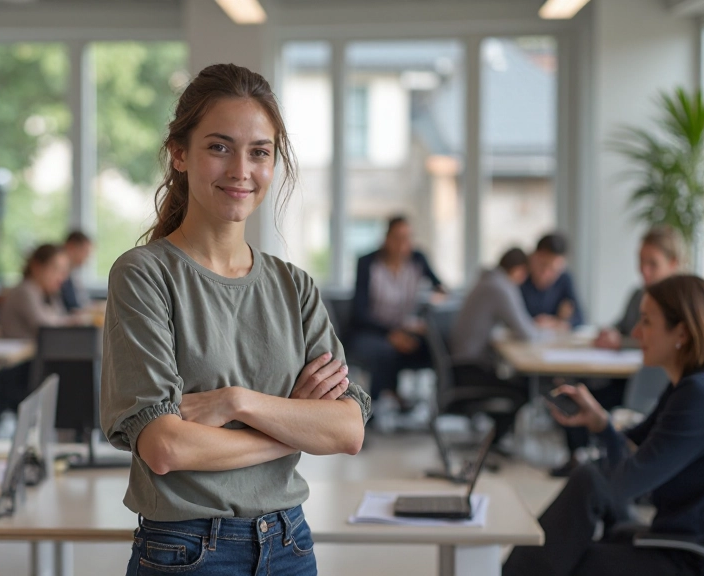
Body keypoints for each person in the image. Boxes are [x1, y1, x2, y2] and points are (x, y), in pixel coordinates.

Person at [100, 63, 370, 575]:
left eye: (260, 152)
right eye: (219, 147)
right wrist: (293, 425)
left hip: (291, 544)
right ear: (180, 154)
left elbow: (348, 429)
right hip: (187, 550)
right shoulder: (143, 276)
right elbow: (165, 446)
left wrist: (235, 402)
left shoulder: (295, 287)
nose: (241, 169)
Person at [503, 275, 704, 576]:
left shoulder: (702, 396)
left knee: (566, 555)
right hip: (671, 540)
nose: (636, 333)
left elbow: (625, 483)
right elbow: (635, 448)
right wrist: (601, 423)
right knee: (585, 490)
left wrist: (606, 436)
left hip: (686, 561)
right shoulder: (696, 386)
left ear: (681, 332)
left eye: (647, 322)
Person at [553, 226, 683, 477]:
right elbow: (624, 328)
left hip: (644, 385)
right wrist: (608, 334)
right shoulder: (639, 295)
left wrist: (621, 342)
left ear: (673, 263)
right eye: (640, 262)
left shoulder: (679, 305)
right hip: (624, 379)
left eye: (652, 264)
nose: (643, 271)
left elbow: (647, 341)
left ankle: (590, 464)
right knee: (576, 392)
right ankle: (580, 458)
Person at [348, 215, 444, 421]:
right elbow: (360, 313)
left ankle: (437, 409)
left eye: (408, 238)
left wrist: (431, 306)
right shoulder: (367, 264)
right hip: (371, 330)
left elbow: (440, 288)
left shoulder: (418, 260)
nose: (403, 244)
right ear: (386, 239)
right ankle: (372, 409)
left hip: (405, 328)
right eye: (398, 237)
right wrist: (392, 334)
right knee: (386, 350)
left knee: (435, 346)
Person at [448, 248, 536, 442]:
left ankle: (496, 438)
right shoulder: (500, 286)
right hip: (469, 370)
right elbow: (526, 332)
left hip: (461, 366)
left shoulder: (487, 281)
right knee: (526, 389)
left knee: (520, 383)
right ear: (520, 271)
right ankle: (494, 441)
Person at [0, 243, 73, 339]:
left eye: (64, 271)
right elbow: (46, 329)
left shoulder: (48, 293)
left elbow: (61, 320)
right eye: (55, 269)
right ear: (36, 267)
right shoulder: (25, 291)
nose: (61, 277)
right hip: (21, 353)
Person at [521, 232, 583, 330]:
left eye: (554, 270)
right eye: (542, 265)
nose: (546, 274)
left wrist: (558, 322)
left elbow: (580, 318)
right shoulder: (520, 276)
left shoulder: (564, 279)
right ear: (533, 257)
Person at [60, 230, 93, 312]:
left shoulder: (73, 275)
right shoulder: (60, 277)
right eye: (85, 252)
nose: (86, 258)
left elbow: (82, 303)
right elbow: (71, 308)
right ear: (71, 247)